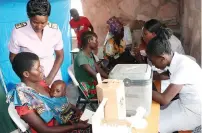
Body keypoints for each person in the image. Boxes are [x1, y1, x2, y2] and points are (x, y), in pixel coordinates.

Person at [7, 52, 92, 133]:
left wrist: (74, 110)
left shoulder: (41, 83)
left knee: (93, 123)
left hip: (62, 120)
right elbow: (44, 130)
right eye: (38, 68)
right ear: (26, 74)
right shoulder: (24, 100)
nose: (41, 70)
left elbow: (57, 102)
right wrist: (75, 126)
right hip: (52, 129)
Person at [146, 30, 202, 133]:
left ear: (162, 58)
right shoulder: (177, 60)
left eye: (154, 62)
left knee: (153, 126)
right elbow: (165, 75)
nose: (153, 65)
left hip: (193, 113)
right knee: (151, 115)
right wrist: (146, 77)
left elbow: (164, 99)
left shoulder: (183, 67)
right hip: (183, 104)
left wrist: (143, 89)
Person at [8, 0, 64, 86]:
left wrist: (50, 78)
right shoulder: (18, 31)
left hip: (53, 74)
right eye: (35, 22)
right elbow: (13, 58)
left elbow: (60, 55)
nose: (39, 26)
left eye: (43, 23)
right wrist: (26, 77)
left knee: (56, 97)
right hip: (31, 77)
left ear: (48, 17)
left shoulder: (54, 30)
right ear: (28, 16)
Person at [74, 31, 108, 99]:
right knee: (111, 92)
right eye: (95, 40)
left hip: (92, 83)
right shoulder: (81, 56)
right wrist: (108, 82)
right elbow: (93, 74)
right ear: (89, 41)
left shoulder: (90, 54)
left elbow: (98, 69)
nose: (97, 43)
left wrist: (109, 76)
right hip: (87, 89)